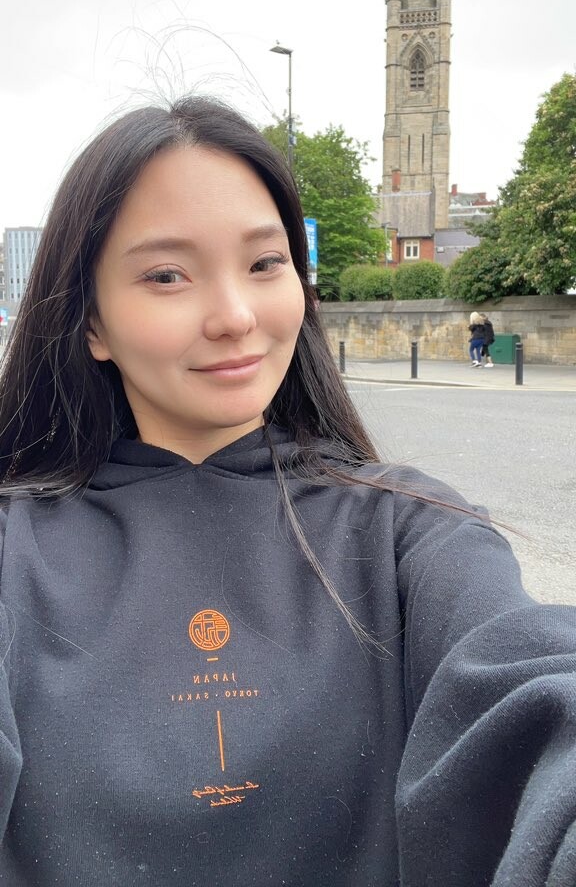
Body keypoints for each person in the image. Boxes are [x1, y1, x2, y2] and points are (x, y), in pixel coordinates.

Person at [1, 96, 576, 887]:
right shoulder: (15, 550)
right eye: (167, 275)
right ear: (92, 322)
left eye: (265, 264)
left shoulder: (411, 533)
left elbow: (533, 681)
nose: (235, 316)